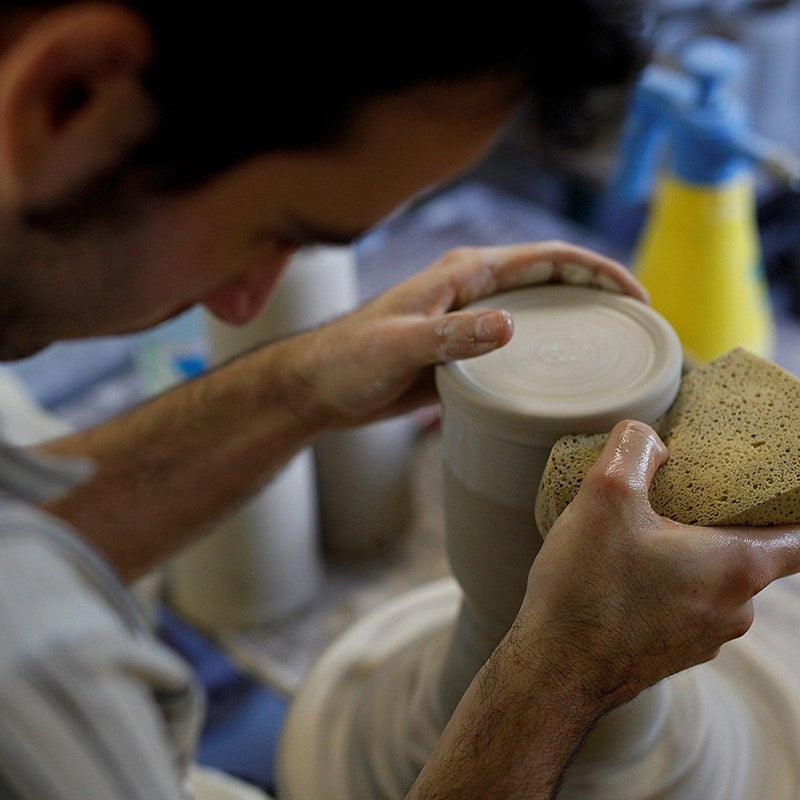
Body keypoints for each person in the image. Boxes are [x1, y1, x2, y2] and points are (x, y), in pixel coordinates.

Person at [0, 3, 797, 799]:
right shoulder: (32, 676)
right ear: (68, 99)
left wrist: (304, 383)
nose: (247, 306)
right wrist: (566, 677)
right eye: (279, 230)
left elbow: (33, 524)